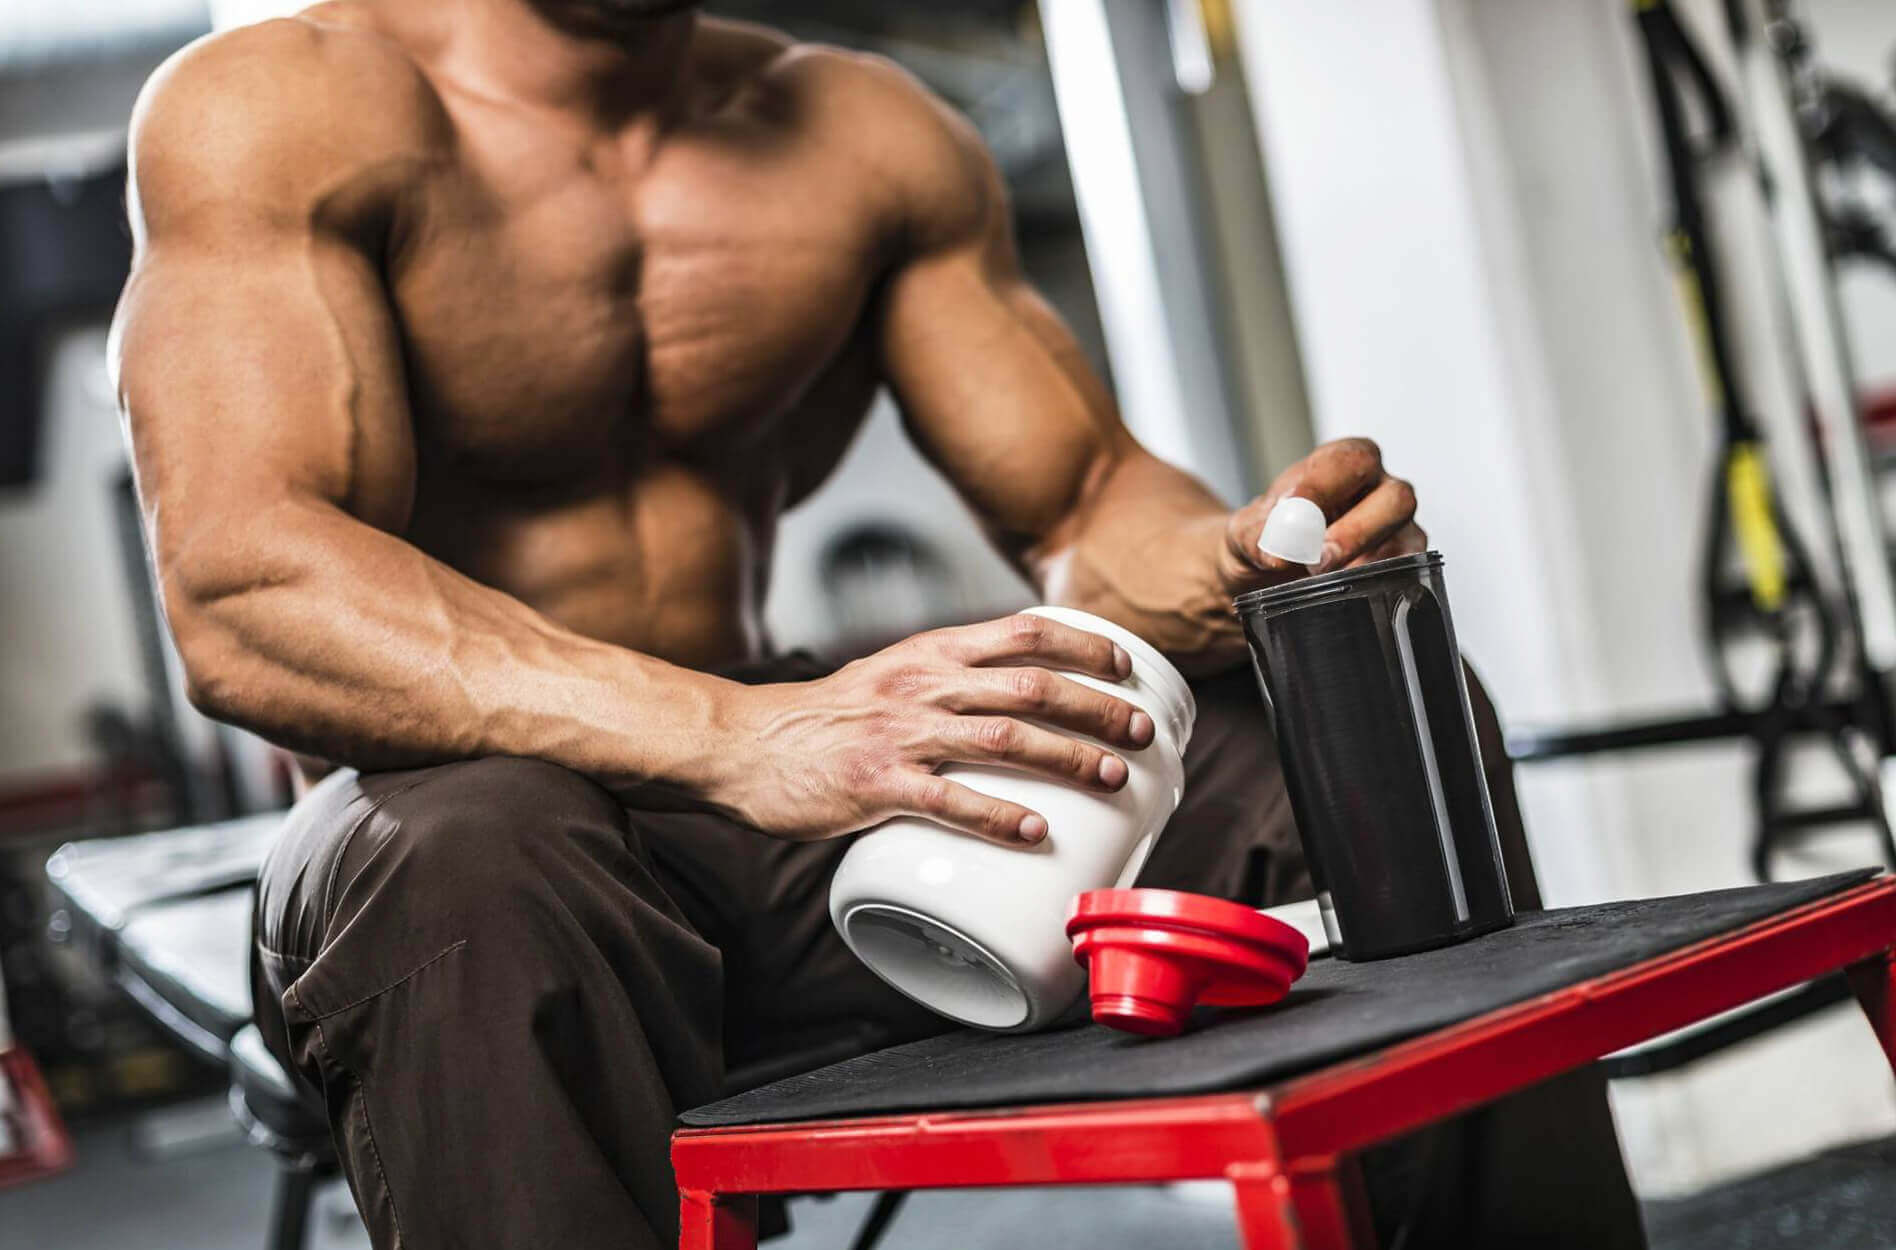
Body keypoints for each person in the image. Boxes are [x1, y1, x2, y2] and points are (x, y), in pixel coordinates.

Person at [111, 2, 1645, 1246]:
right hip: (448, 810)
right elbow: (246, 589)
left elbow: (1083, 498)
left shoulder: (856, 136)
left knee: (1335, 720)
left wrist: (1229, 558)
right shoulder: (288, 104)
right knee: (471, 855)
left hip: (788, 799)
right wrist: (737, 732)